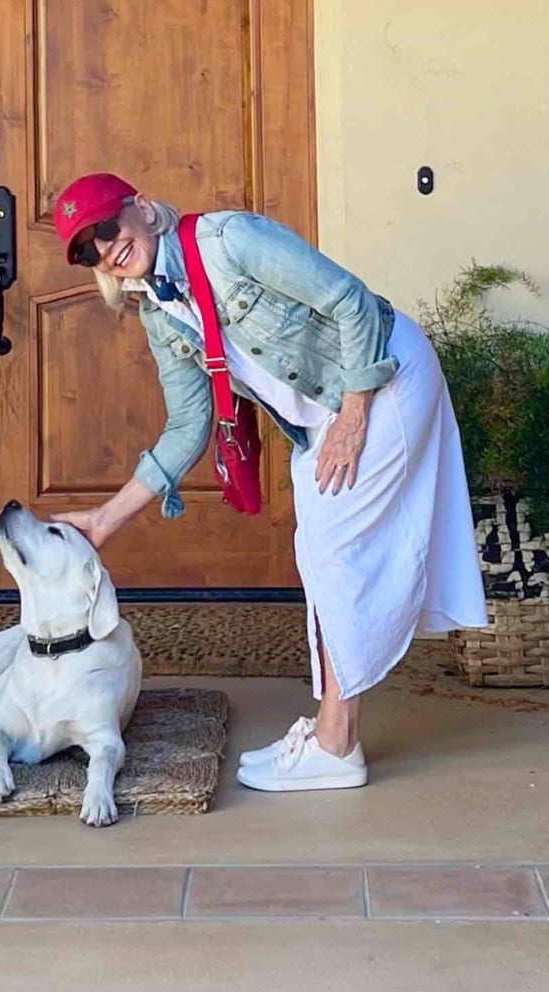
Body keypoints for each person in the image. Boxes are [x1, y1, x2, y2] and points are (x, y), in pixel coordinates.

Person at [50, 172, 488, 793]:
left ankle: (338, 744)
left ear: (142, 210)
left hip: (383, 380)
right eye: (87, 250)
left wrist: (355, 414)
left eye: (105, 228)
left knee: (335, 552)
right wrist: (104, 519)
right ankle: (333, 732)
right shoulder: (160, 311)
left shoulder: (231, 240)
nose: (105, 250)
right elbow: (188, 425)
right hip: (321, 415)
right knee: (319, 557)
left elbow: (348, 300)